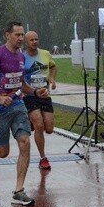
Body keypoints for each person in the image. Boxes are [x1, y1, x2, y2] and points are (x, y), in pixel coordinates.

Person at [0, 21, 35, 206]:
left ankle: (19, 191)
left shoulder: (21, 56)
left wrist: (35, 91)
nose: (21, 38)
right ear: (7, 35)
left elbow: (21, 84)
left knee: (25, 142)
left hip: (18, 105)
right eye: (17, 35)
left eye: (22, 34)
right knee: (2, 153)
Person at [22, 30, 58, 170]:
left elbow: (53, 67)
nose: (35, 42)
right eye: (31, 40)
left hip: (44, 94)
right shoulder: (22, 57)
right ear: (26, 42)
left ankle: (30, 122)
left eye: (36, 39)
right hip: (30, 96)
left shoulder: (45, 54)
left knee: (49, 129)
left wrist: (52, 79)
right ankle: (43, 158)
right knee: (39, 125)